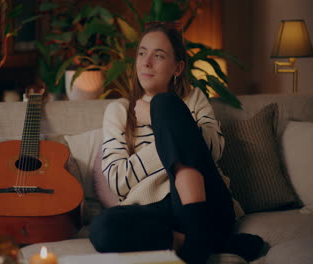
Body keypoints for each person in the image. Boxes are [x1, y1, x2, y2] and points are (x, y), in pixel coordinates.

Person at [89, 23, 262, 264]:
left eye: (158, 56)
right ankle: (203, 243)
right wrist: (171, 138)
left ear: (178, 67)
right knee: (102, 229)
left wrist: (156, 118)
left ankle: (196, 237)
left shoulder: (193, 98)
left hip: (208, 204)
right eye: (142, 53)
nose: (146, 62)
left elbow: (214, 151)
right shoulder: (118, 110)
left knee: (165, 104)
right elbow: (118, 181)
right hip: (155, 211)